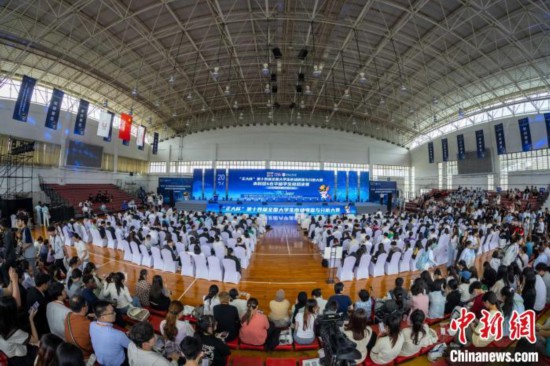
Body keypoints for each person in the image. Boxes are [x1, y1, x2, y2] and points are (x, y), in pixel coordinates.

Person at [90, 300, 131, 366]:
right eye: (112, 312)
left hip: (101, 362)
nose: (115, 313)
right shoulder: (118, 335)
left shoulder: (92, 325)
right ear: (103, 317)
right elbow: (131, 346)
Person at [0, 296, 39, 365]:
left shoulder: (4, 324)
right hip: (18, 360)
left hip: (6, 353)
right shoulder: (12, 331)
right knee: (40, 344)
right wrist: (31, 319)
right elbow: (35, 339)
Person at [65, 295, 94, 360]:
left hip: (73, 351)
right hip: (86, 355)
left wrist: (86, 317)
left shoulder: (68, 315)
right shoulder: (89, 324)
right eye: (86, 304)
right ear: (84, 308)